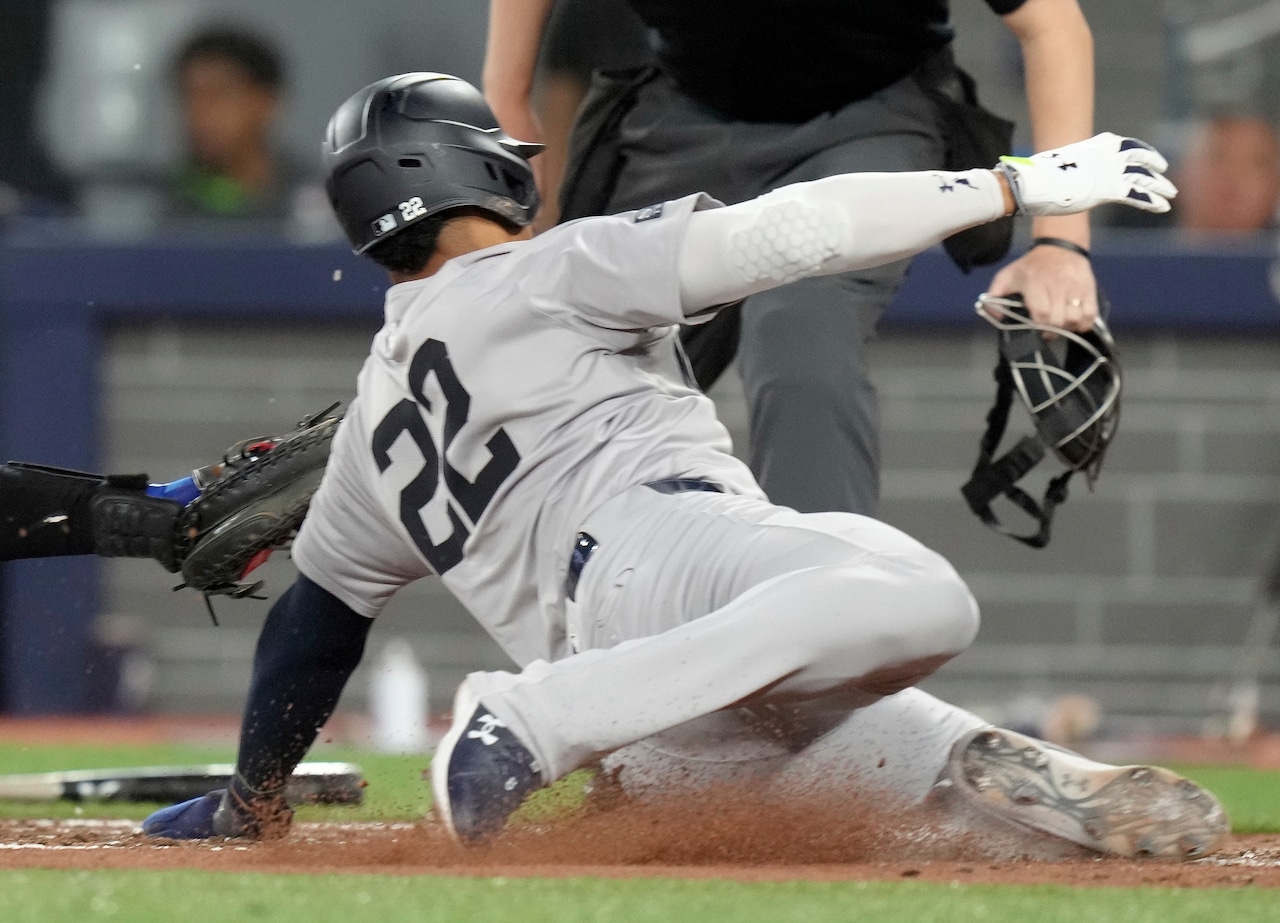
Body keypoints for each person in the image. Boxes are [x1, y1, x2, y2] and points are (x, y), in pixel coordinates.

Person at [129, 73, 1227, 860]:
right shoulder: (550, 269)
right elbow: (796, 228)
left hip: (663, 729)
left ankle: (995, 778)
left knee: (939, 798)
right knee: (916, 596)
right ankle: (531, 719)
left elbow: (310, 632)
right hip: (659, 561)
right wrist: (1013, 183)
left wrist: (250, 796)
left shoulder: (375, 419)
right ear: (472, 170)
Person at [484, 0, 1099, 516]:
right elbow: (507, 98)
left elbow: (1051, 27)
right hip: (688, 114)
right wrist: (508, 118)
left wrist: (1062, 245)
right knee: (588, 377)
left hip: (869, 113)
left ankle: (823, 624)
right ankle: (601, 636)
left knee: (800, 324)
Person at [164, 25, 325, 234]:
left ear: (266, 102)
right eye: (188, 95)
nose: (199, 111)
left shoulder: (327, 202)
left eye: (218, 94)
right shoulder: (157, 207)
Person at [1176, 113, 1280, 233]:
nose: (1233, 174)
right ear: (1181, 173)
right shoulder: (1150, 241)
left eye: (1256, 163)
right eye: (1217, 156)